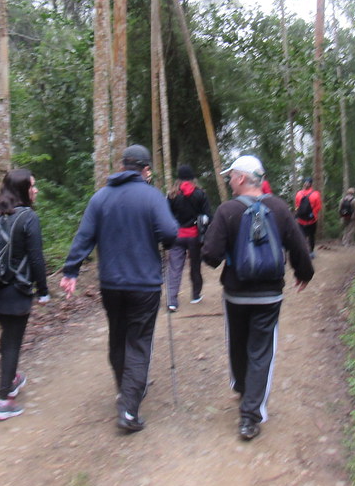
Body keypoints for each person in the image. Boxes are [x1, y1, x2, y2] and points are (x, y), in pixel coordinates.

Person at [59, 144, 178, 433]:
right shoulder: (152, 197)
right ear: (146, 170)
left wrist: (71, 270)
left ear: (122, 166)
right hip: (144, 284)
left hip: (111, 284)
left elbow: (84, 236)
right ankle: (128, 410)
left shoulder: (100, 197)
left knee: (118, 337)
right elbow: (170, 233)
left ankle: (124, 390)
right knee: (138, 342)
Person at [201, 154, 313, 441]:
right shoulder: (279, 208)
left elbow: (211, 256)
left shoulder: (227, 211)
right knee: (261, 351)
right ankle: (250, 418)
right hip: (269, 295)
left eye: (230, 176)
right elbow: (299, 246)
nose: (228, 181)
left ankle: (242, 389)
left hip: (236, 294)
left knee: (237, 344)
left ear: (241, 179)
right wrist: (304, 273)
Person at [0, 168, 48, 421]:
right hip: (15, 292)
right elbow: (37, 260)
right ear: (22, 190)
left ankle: (12, 378)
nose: (36, 190)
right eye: (32, 186)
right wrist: (44, 292)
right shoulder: (28, 218)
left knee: (8, 336)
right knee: (13, 342)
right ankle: (3, 400)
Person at [165, 164, 212, 311]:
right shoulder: (200, 194)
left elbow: (166, 216)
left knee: (175, 268)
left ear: (178, 178)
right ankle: (195, 295)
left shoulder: (172, 195)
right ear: (192, 178)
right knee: (195, 266)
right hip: (194, 236)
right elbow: (208, 216)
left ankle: (172, 301)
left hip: (176, 236)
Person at [294, 176, 323, 258]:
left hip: (301, 220)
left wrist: (298, 214)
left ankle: (303, 252)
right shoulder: (316, 194)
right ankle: (311, 252)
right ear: (311, 184)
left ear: (304, 184)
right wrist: (313, 213)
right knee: (311, 236)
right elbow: (318, 207)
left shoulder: (299, 194)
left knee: (302, 236)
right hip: (312, 220)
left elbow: (297, 206)